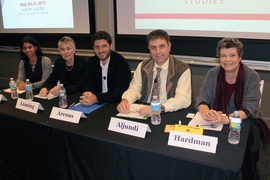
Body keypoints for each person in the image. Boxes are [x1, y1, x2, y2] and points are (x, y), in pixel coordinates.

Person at [194, 37, 270, 179]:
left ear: (240, 57)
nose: (227, 59)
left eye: (232, 55)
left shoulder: (251, 76)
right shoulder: (213, 73)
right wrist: (206, 112)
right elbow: (202, 98)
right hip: (216, 120)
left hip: (246, 122)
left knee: (242, 153)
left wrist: (225, 118)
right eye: (223, 55)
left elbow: (249, 108)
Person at [117, 29, 191, 116]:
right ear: (149, 49)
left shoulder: (182, 69)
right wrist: (125, 100)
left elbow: (183, 99)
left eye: (162, 46)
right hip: (144, 111)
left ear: (169, 46)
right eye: (153, 47)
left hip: (168, 112)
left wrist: (157, 108)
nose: (158, 51)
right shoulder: (143, 66)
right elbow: (134, 89)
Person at [79, 31, 131, 106]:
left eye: (104, 46)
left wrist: (96, 98)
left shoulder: (121, 63)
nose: (100, 50)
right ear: (93, 48)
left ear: (110, 46)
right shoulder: (91, 62)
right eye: (97, 47)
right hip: (95, 104)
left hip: (115, 104)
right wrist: (87, 95)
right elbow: (87, 84)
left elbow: (121, 92)